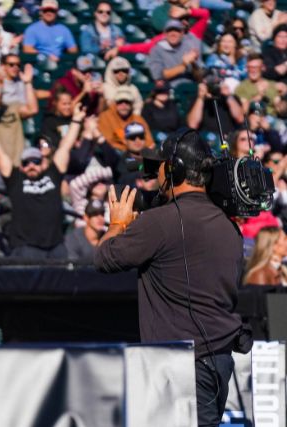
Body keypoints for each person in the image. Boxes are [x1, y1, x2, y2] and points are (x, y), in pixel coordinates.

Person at [94, 130, 249, 427]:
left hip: (182, 365)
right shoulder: (228, 226)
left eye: (162, 164)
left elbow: (104, 258)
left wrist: (116, 224)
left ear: (173, 168)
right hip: (218, 359)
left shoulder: (160, 223)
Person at [0, 101, 84, 259]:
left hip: (56, 247)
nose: (32, 165)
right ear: (21, 166)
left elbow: (65, 147)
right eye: (26, 163)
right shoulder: (15, 179)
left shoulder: (53, 174)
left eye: (36, 161)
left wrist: (76, 121)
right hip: (27, 248)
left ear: (43, 163)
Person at [147, 19, 202, 88]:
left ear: (182, 33)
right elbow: (159, 76)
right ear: (165, 33)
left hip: (191, 87)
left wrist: (193, 64)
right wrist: (183, 65)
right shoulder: (156, 50)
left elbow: (199, 77)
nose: (173, 34)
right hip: (169, 89)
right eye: (170, 31)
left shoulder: (189, 47)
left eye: (177, 31)